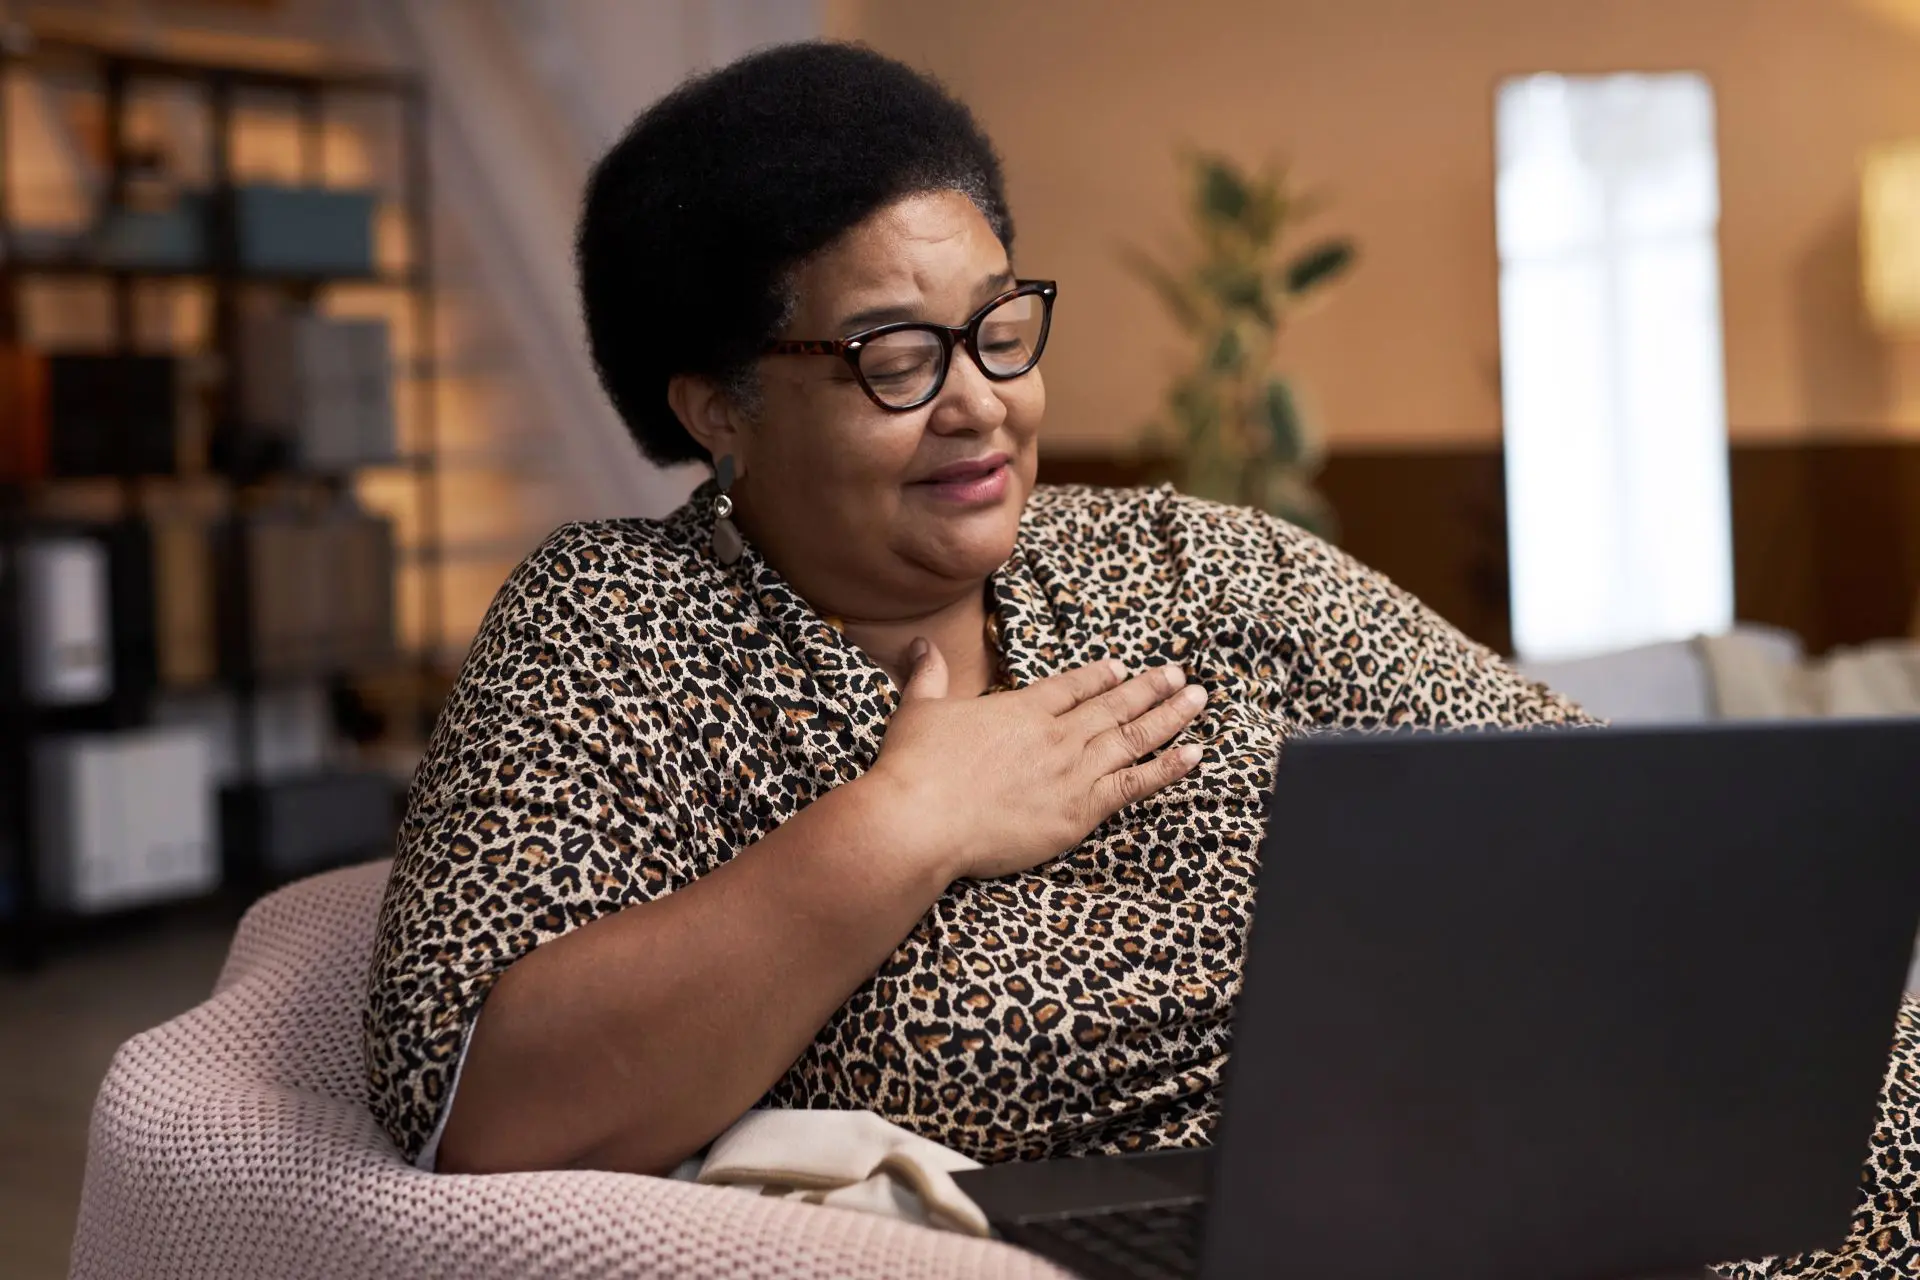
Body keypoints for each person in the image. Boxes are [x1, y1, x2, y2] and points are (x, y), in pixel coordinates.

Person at [363, 40, 1917, 1277]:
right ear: (718, 409)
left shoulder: (1196, 565)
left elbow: (1597, 811)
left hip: (1523, 1157)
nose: (980, 403)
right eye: (897, 358)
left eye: (1000, 331)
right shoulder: (622, 623)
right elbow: (477, 1108)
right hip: (1171, 1234)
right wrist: (905, 826)